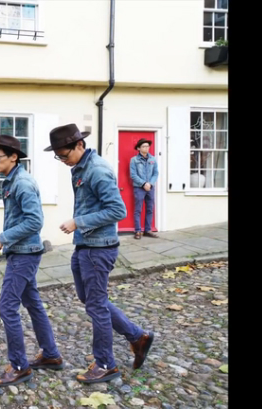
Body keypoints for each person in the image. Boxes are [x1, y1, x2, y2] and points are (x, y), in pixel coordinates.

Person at [46, 124, 155, 384]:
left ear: (79, 145)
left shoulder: (97, 170)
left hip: (99, 249)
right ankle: (137, 336)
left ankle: (106, 364)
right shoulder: (80, 168)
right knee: (90, 299)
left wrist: (78, 222)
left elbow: (118, 210)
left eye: (64, 155)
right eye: (58, 157)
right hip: (85, 245)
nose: (63, 160)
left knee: (96, 305)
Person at [0, 134, 64, 387]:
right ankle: (51, 354)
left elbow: (34, 221)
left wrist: (3, 237)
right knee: (33, 303)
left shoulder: (22, 183)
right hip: (22, 251)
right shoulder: (12, 180)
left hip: (24, 254)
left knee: (7, 307)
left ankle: (19, 366)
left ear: (13, 157)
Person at [129, 138, 159, 239]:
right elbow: (133, 175)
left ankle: (147, 230)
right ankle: (138, 231)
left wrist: (150, 183)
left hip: (150, 187)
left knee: (150, 209)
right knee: (138, 209)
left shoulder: (153, 159)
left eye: (147, 146)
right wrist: (143, 184)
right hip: (139, 188)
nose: (146, 148)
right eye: (144, 146)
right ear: (139, 148)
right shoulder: (134, 160)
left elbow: (156, 173)